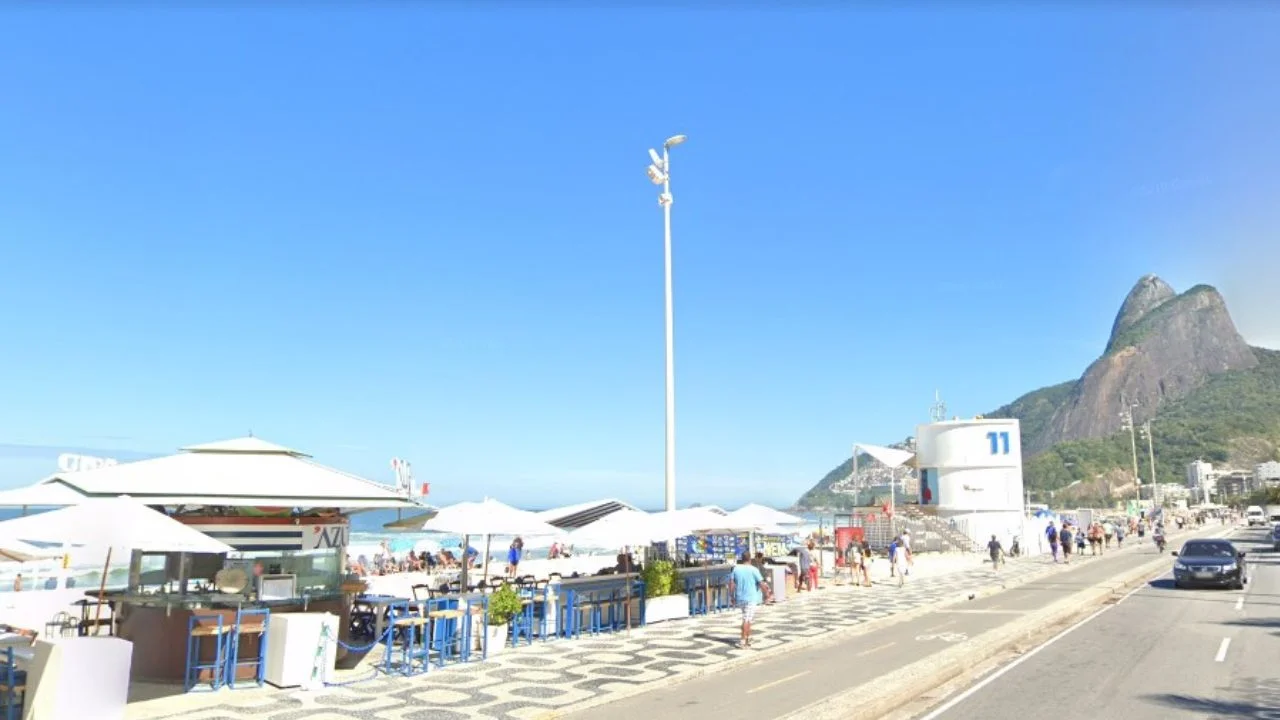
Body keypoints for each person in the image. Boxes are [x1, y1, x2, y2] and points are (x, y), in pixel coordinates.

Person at [726, 552, 765, 649]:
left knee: (748, 618)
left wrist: (731, 596)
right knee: (746, 619)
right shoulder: (754, 569)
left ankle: (748, 637)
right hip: (751, 598)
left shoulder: (736, 569)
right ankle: (743, 641)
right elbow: (761, 583)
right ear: (750, 559)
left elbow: (731, 583)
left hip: (740, 597)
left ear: (741, 559)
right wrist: (767, 594)